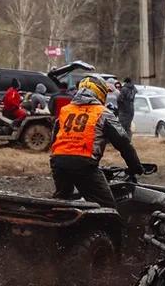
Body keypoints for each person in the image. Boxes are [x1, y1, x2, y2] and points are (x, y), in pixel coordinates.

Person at [48, 74, 144, 208]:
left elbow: (54, 139)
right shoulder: (102, 113)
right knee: (107, 207)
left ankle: (55, 223)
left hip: (58, 161)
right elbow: (123, 142)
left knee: (62, 200)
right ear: (100, 93)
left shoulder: (65, 110)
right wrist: (135, 166)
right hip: (84, 164)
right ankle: (108, 228)